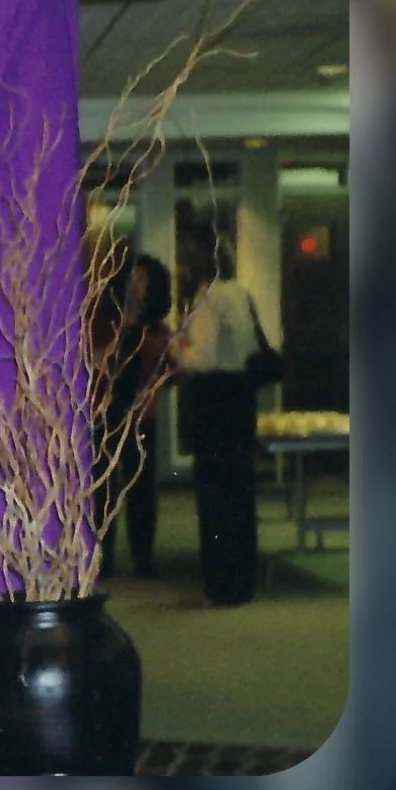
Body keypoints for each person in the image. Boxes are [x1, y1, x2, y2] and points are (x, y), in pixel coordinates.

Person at [171, 241, 264, 607]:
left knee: (214, 499)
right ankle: (242, 583)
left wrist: (177, 349)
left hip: (215, 400)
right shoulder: (241, 293)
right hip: (242, 399)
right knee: (240, 496)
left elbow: (203, 358)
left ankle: (218, 587)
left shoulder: (208, 298)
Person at [101, 254, 176, 579]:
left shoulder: (158, 331)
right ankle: (101, 560)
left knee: (141, 489)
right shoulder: (104, 322)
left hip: (141, 416)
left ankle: (143, 558)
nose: (135, 286)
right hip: (103, 415)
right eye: (132, 278)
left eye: (143, 280)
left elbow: (171, 372)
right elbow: (95, 363)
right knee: (102, 490)